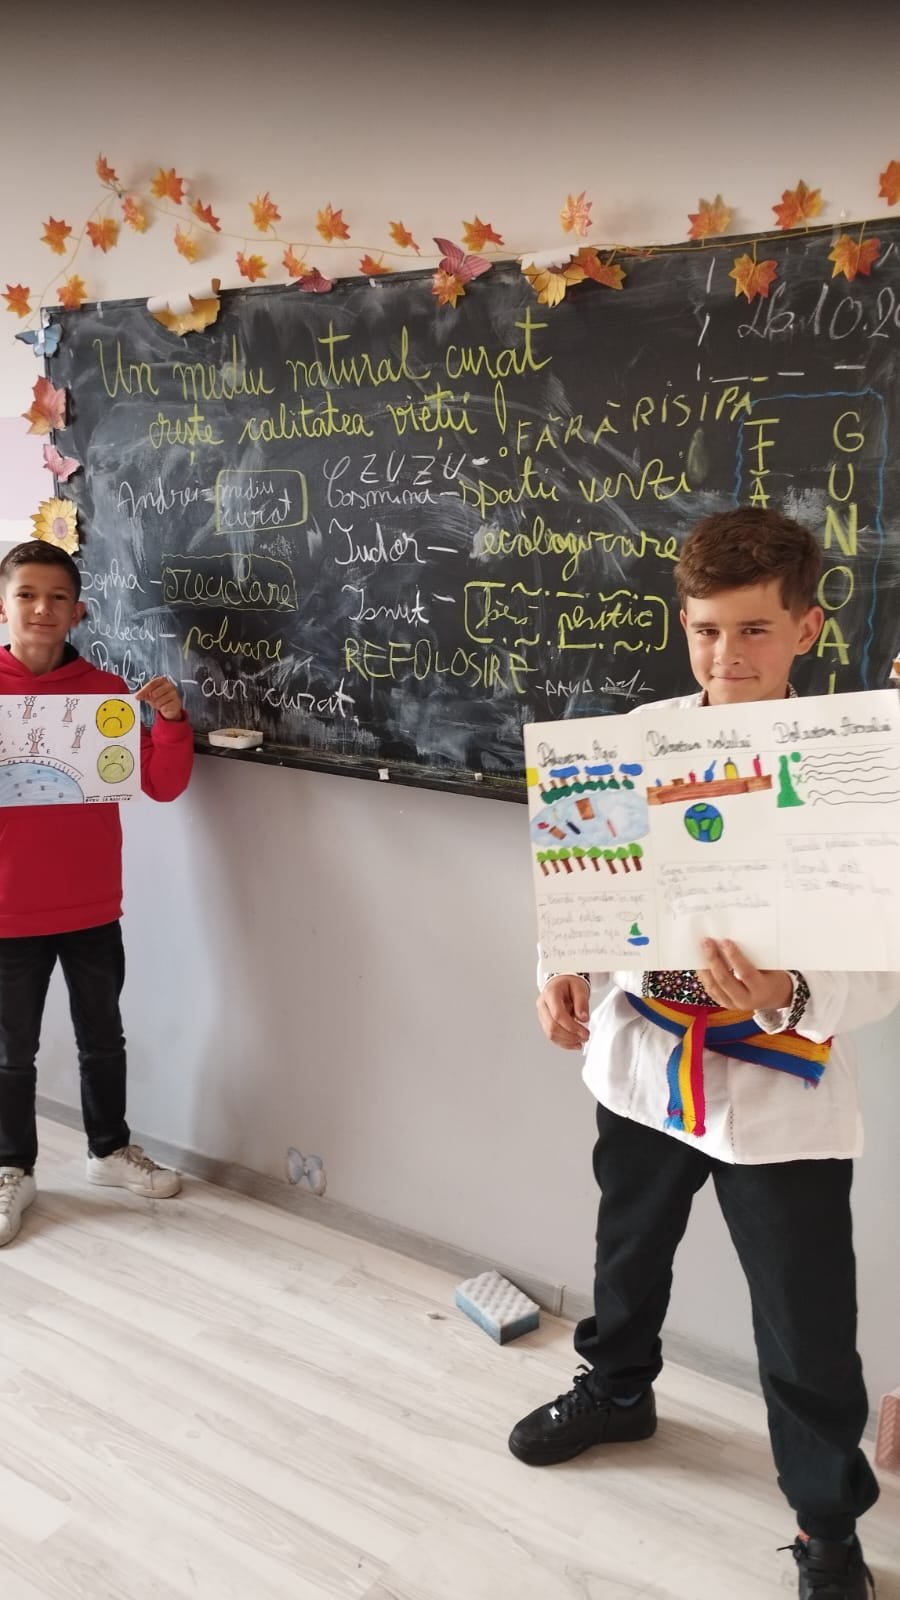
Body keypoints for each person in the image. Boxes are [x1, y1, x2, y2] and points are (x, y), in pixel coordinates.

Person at [510, 508, 899, 1600]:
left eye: (754, 629)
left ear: (808, 627)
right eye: (706, 630)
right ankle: (617, 1390)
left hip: (776, 1080)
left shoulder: (854, 767)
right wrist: (563, 965)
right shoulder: (638, 738)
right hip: (644, 1060)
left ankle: (826, 1521)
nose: (727, 655)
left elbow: (885, 955)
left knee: (804, 1316)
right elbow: (580, 879)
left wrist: (789, 991)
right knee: (626, 1253)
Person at [0, 539, 194, 1246]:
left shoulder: (106, 692)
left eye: (58, 597)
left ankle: (107, 1150)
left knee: (103, 1039)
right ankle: (11, 1167)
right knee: (10, 1051)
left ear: (79, 611)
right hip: (7, 908)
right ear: (2, 606)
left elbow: (161, 784)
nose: (42, 609)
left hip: (89, 903)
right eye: (26, 594)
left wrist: (170, 722)